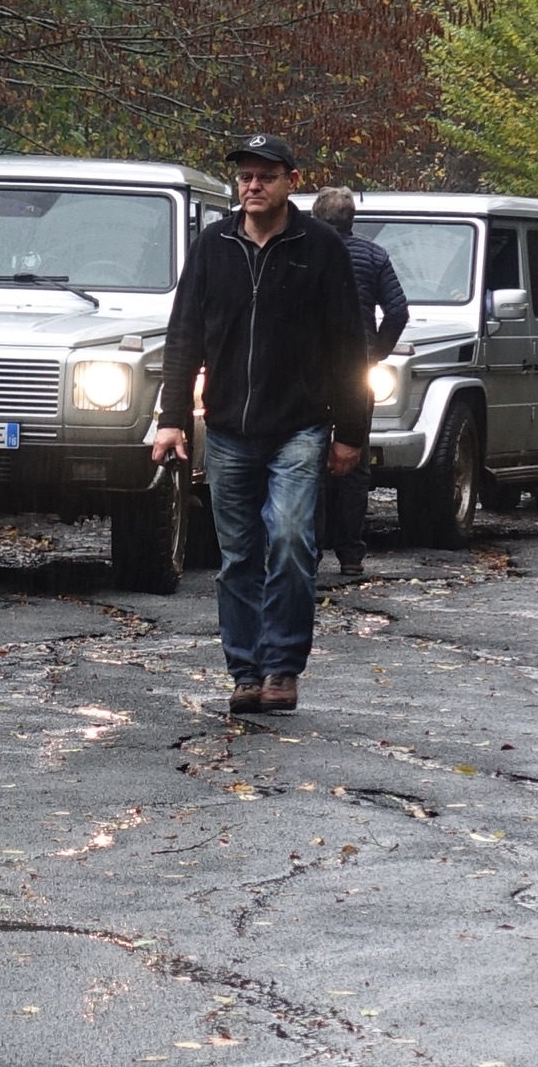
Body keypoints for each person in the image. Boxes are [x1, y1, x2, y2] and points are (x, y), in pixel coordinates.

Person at [148, 135, 367, 716]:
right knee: (238, 556)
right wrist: (171, 420)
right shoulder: (213, 246)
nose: (252, 186)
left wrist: (351, 431)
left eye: (265, 176)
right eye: (245, 176)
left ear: (292, 181)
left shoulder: (320, 248)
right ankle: (245, 671)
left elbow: (350, 346)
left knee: (292, 540)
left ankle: (282, 667)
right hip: (227, 430)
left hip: (299, 427)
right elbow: (183, 338)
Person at [307, 186, 406, 581]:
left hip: (310, 369)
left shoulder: (303, 251)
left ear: (315, 216)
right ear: (352, 219)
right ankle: (350, 554)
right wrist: (376, 353)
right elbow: (397, 310)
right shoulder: (374, 255)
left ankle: (309, 552)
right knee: (355, 459)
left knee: (308, 460)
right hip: (356, 369)